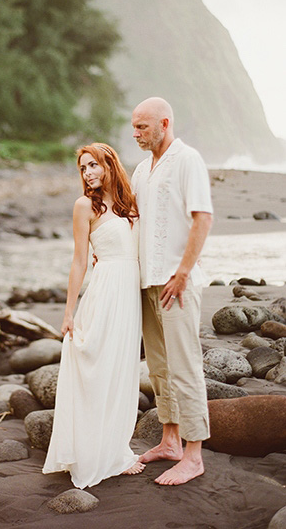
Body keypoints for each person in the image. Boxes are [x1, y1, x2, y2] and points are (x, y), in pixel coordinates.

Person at [43, 142, 145, 489]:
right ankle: (97, 454)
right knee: (99, 367)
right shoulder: (84, 206)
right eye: (83, 168)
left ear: (108, 165)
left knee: (121, 370)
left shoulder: (129, 203)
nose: (87, 173)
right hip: (105, 293)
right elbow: (79, 261)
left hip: (129, 294)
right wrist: (69, 311)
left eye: (93, 166)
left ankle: (116, 447)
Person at [130, 96, 213, 486]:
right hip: (147, 282)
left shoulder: (187, 160)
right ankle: (170, 441)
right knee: (160, 369)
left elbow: (203, 218)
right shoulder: (141, 170)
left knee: (185, 368)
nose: (135, 133)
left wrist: (183, 272)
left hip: (176, 283)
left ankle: (194, 456)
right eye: (133, 127)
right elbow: (132, 222)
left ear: (164, 123)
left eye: (142, 127)